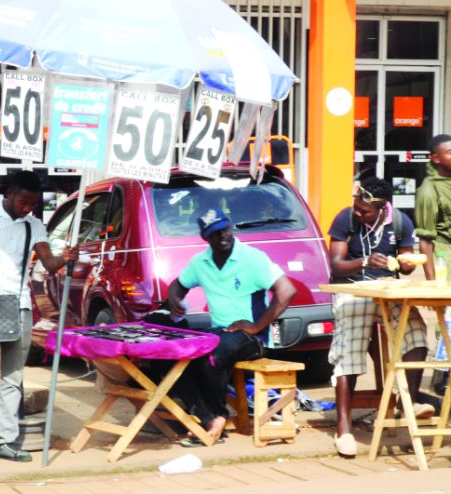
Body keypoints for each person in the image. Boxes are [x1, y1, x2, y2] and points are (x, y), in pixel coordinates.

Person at [0, 171, 77, 474]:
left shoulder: (35, 225)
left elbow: (49, 264)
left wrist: (66, 256)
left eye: (33, 204)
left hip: (20, 307)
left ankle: (4, 442)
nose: (27, 208)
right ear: (9, 193)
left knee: (13, 379)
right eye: (24, 201)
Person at [166, 208, 296, 441]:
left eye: (224, 230)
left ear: (230, 228)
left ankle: (218, 414)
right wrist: (174, 299)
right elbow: (177, 284)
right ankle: (207, 417)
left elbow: (287, 291)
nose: (222, 237)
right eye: (215, 234)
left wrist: (257, 326)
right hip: (220, 332)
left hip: (251, 338)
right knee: (176, 357)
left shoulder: (252, 258)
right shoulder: (200, 262)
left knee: (210, 356)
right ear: (205, 238)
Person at [326, 176, 431, 457]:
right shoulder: (345, 219)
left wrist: (407, 263)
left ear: (382, 207)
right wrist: (363, 261)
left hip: (388, 287)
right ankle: (343, 428)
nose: (358, 213)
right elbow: (336, 265)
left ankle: (407, 403)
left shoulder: (400, 222)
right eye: (357, 207)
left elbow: (406, 262)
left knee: (417, 335)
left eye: (365, 210)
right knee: (349, 349)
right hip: (352, 288)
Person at [416, 134, 451, 282]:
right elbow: (425, 241)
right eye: (450, 152)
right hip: (445, 258)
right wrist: (431, 285)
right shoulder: (429, 190)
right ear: (436, 158)